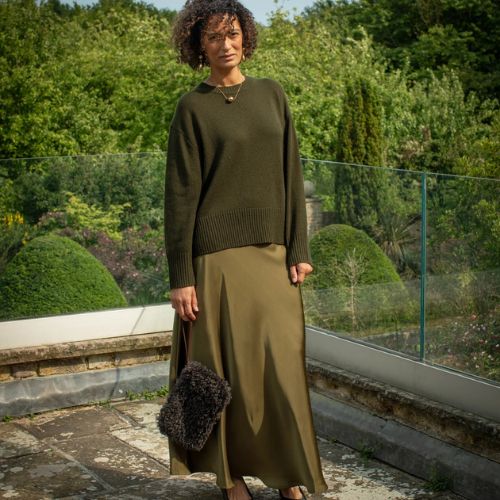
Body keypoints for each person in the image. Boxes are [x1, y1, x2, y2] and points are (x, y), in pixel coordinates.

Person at [164, 1, 328, 499]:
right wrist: (181, 276)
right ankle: (230, 478)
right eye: (213, 37)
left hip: (273, 255)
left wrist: (299, 247)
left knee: (281, 369)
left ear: (246, 37)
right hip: (214, 260)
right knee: (222, 372)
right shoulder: (191, 108)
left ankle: (287, 474)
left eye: (232, 33)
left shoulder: (272, 94)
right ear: (199, 45)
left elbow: (291, 172)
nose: (226, 44)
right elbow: (180, 196)